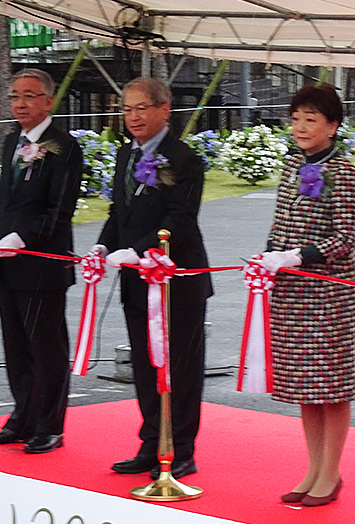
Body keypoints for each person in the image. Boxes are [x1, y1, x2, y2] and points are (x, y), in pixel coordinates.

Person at [93, 77, 213, 480]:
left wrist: (143, 248)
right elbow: (117, 212)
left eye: (141, 107)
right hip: (134, 279)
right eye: (127, 109)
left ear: (165, 109)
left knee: (178, 367)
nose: (133, 116)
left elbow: (179, 219)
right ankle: (151, 442)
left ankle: (181, 449)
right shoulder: (125, 156)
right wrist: (103, 247)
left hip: (175, 281)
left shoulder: (183, 158)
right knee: (145, 365)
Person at [254, 84, 355, 508]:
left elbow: (344, 238)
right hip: (291, 294)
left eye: (311, 119)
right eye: (296, 118)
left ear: (333, 126)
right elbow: (279, 224)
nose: (300, 127)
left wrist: (296, 255)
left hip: (330, 294)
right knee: (305, 386)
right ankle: (313, 466)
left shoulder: (345, 172)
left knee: (331, 388)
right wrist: (267, 259)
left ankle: (331, 472)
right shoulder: (290, 167)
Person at [0, 68, 83, 454]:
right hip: (8, 263)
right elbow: (5, 201)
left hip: (43, 263)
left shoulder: (65, 146)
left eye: (29, 96)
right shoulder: (10, 143)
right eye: (15, 96)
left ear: (48, 101)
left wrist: (21, 239)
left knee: (46, 347)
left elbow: (60, 210)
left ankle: (49, 425)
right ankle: (21, 417)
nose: (20, 103)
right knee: (16, 345)